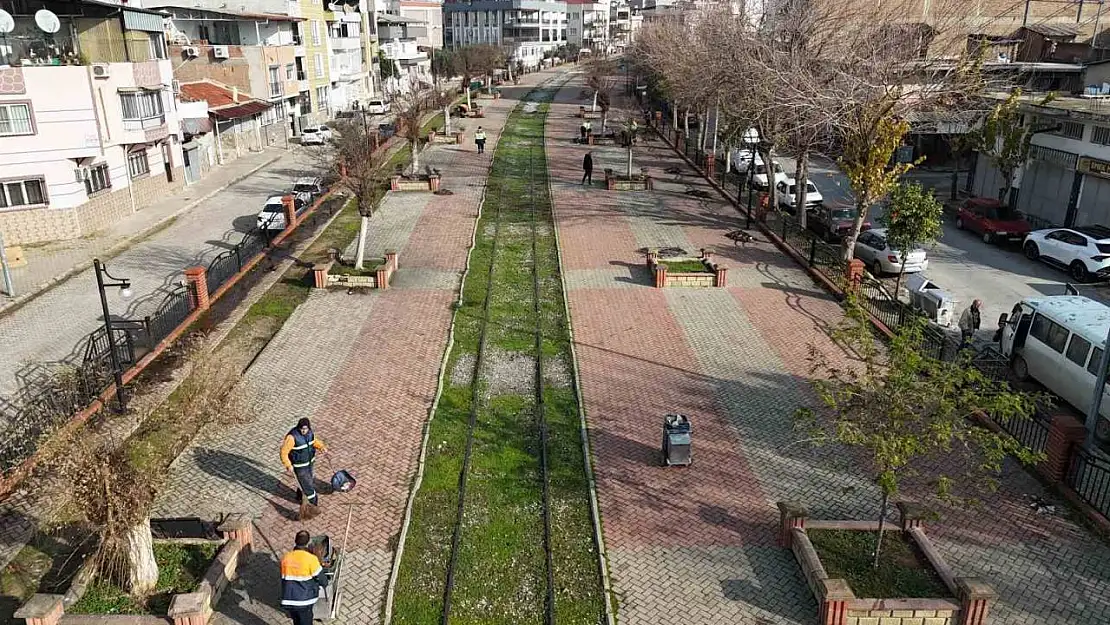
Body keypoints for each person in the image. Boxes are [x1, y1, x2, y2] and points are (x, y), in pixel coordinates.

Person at [280, 530, 329, 625]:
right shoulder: (311, 559)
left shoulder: (285, 558)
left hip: (288, 599)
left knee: (296, 621)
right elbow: (322, 580)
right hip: (304, 601)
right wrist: (324, 583)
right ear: (308, 543)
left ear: (295, 541)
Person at [281, 418, 327, 516]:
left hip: (309, 463)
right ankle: (313, 505)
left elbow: (314, 441)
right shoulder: (292, 438)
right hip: (300, 466)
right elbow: (283, 452)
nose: (303, 431)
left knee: (307, 481)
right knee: (309, 487)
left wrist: (321, 447)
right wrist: (288, 465)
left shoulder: (310, 433)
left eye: (305, 429)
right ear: (298, 427)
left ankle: (299, 495)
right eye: (302, 429)